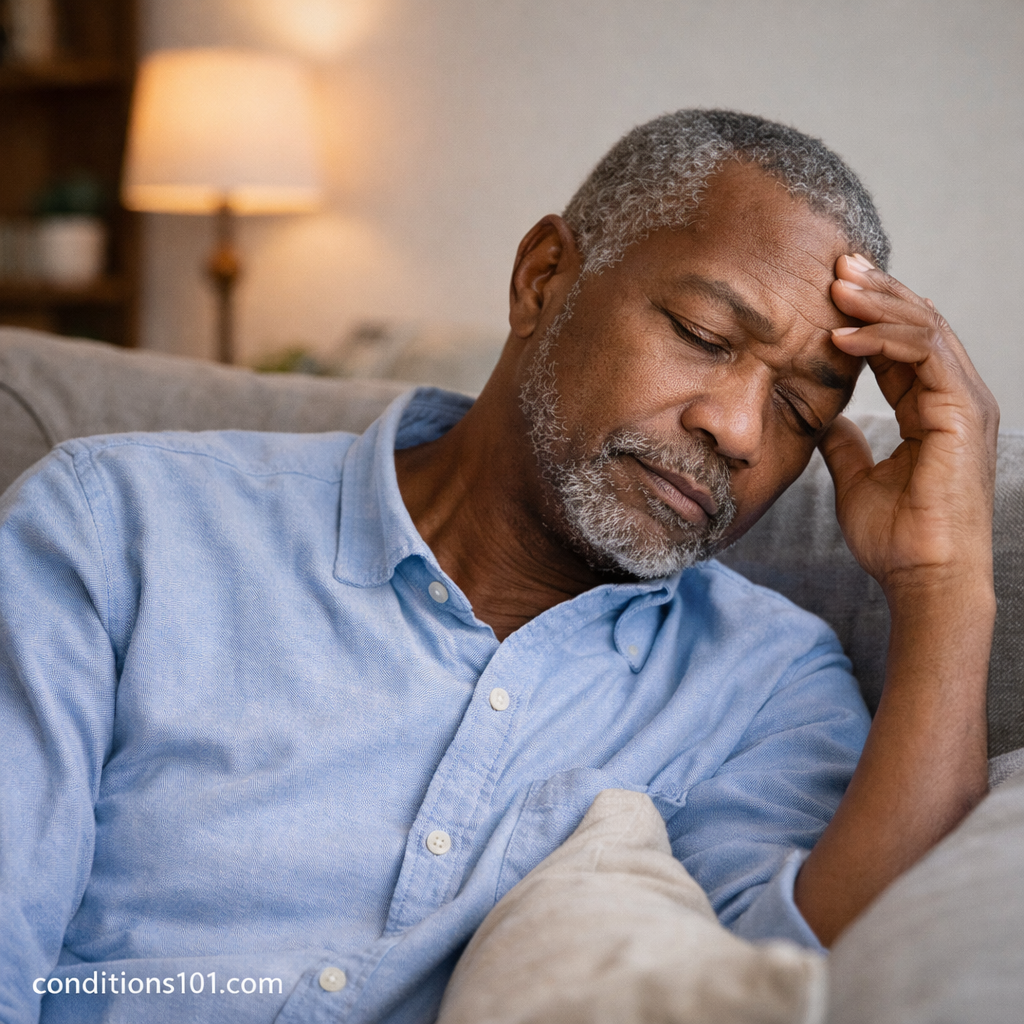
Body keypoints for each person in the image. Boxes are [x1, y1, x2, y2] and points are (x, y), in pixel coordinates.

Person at [0, 110, 997, 1024]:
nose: (736, 430)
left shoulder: (765, 680)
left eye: (799, 413)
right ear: (542, 278)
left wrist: (945, 584)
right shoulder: (120, 527)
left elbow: (837, 965)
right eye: (700, 336)